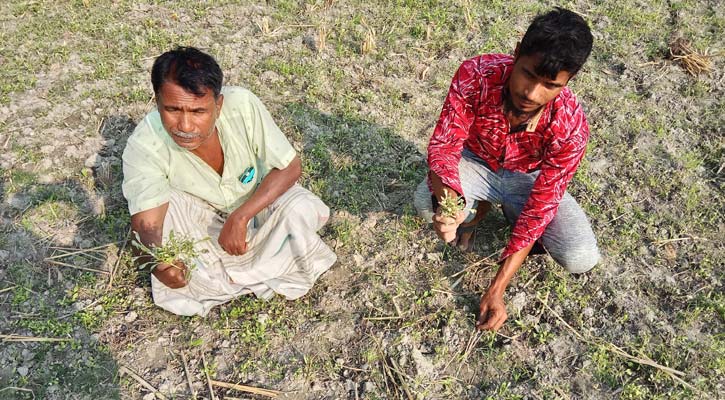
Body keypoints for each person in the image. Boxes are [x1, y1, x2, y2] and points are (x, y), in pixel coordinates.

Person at [414, 8, 600, 331]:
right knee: (423, 202)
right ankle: (476, 211)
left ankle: (508, 219)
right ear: (516, 53)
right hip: (475, 161)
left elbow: (542, 204)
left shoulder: (571, 126)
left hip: (526, 180)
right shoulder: (476, 74)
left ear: (567, 83)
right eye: (527, 74)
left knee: (580, 254)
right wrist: (451, 205)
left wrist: (497, 288)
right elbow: (444, 146)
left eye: (549, 85)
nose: (531, 94)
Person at [122, 47, 336, 316]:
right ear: (157, 102)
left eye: (198, 111)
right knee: (167, 217)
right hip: (200, 221)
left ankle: (230, 277)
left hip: (256, 205)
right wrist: (159, 261)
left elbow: (289, 167)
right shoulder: (145, 143)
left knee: (301, 207)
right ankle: (259, 270)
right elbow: (147, 223)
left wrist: (241, 217)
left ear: (218, 105)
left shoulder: (242, 107)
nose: (185, 126)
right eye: (173, 109)